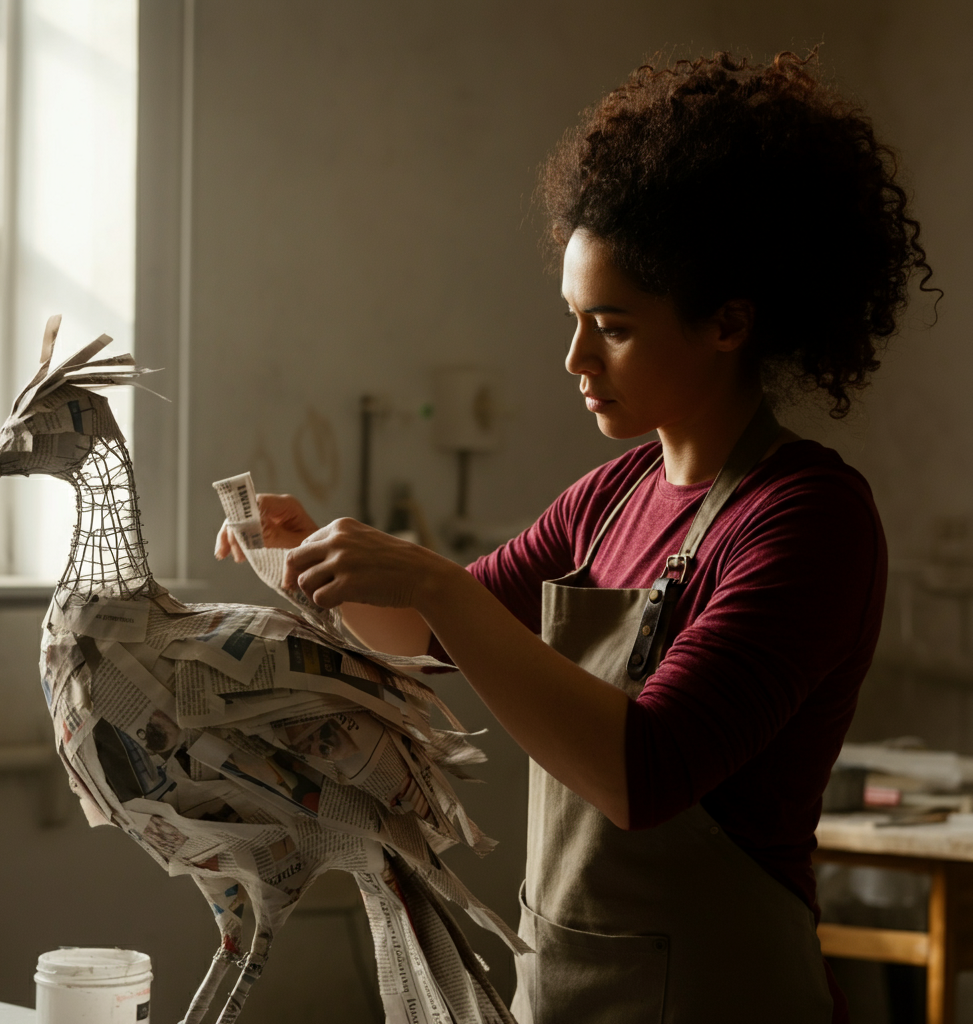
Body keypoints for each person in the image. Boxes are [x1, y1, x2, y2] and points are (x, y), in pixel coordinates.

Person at [216, 52, 936, 1023]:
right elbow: (431, 642)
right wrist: (318, 565)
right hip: (560, 991)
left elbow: (645, 771)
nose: (574, 357)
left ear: (728, 322)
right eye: (572, 318)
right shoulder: (609, 498)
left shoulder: (807, 520)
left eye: (612, 325)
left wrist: (437, 584)